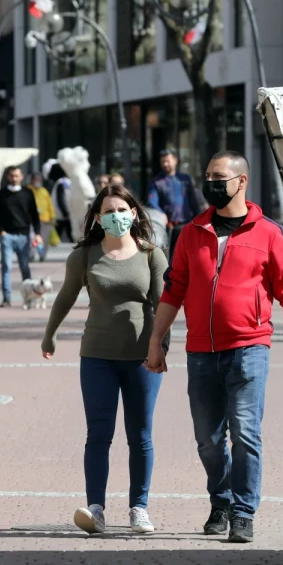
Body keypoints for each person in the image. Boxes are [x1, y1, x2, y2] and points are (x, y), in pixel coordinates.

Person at [146, 151, 283, 544]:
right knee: (208, 439)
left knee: (245, 433)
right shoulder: (191, 232)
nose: (211, 183)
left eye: (219, 176)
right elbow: (173, 290)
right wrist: (156, 341)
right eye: (207, 175)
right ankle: (220, 500)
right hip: (201, 351)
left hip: (249, 347)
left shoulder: (269, 233)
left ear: (241, 182)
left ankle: (243, 511)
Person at [42, 184, 168, 535]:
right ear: (98, 218)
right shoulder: (84, 256)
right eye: (109, 212)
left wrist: (162, 347)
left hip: (142, 359)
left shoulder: (152, 255)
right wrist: (49, 333)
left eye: (122, 210)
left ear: (135, 213)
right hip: (97, 356)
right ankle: (95, 507)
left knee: (140, 434)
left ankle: (138, 507)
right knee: (99, 433)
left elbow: (163, 306)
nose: (116, 217)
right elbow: (65, 297)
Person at [0, 165, 42, 307]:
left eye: (17, 175)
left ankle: (29, 297)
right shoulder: (0, 195)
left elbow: (34, 215)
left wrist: (37, 233)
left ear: (21, 177)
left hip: (24, 236)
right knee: (6, 267)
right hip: (7, 236)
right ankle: (6, 298)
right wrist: (1, 232)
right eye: (12, 175)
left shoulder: (27, 193)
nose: (14, 178)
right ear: (8, 177)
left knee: (25, 267)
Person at [147, 147, 205, 259]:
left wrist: (199, 219)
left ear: (175, 160)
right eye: (163, 161)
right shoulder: (157, 182)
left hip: (186, 224)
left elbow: (194, 201)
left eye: (167, 161)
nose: (165, 164)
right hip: (169, 226)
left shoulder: (185, 179)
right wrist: (161, 214)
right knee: (169, 256)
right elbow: (152, 202)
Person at [29, 173, 55, 262]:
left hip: (45, 219)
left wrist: (52, 216)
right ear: (32, 180)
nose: (38, 181)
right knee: (32, 238)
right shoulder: (28, 190)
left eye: (39, 179)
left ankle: (42, 254)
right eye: (36, 179)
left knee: (44, 239)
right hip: (31, 219)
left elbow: (50, 205)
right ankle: (31, 254)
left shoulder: (44, 191)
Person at [47, 160, 73, 244]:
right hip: (66, 215)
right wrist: (66, 213)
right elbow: (62, 199)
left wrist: (65, 213)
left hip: (60, 215)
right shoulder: (65, 182)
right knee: (71, 238)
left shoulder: (59, 183)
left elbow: (60, 199)